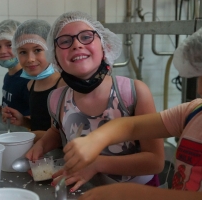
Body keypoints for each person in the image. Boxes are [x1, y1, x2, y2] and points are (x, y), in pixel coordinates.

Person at [25, 11, 164, 192]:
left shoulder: (132, 92)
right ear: (56, 58)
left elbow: (155, 161)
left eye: (86, 37)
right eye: (65, 41)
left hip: (135, 192)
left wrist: (97, 164)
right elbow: (58, 130)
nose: (77, 44)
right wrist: (42, 145)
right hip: (85, 189)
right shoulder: (57, 99)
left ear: (105, 46)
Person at [64, 27, 202, 200]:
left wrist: (133, 194)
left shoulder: (132, 90)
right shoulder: (193, 113)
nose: (200, 88)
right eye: (200, 76)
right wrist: (95, 139)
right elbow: (132, 126)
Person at [2, 19, 66, 142]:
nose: (30, 59)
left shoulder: (62, 85)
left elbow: (61, 134)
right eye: (23, 52)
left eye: (37, 50)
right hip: (40, 155)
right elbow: (40, 125)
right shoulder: (31, 84)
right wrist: (23, 121)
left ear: (51, 49)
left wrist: (25, 137)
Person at [0, 19, 30, 117]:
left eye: (9, 45)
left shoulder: (28, 80)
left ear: (21, 46)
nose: (3, 51)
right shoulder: (8, 76)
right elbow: (12, 114)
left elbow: (32, 122)